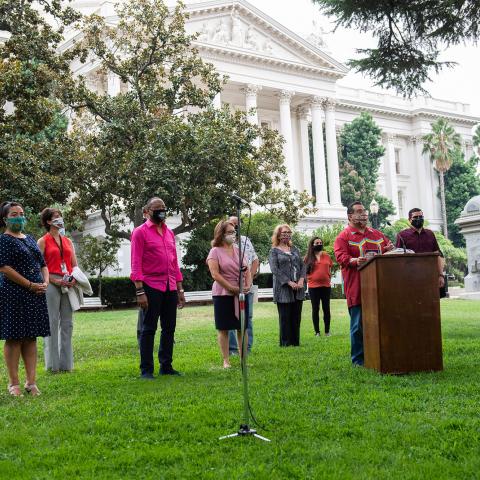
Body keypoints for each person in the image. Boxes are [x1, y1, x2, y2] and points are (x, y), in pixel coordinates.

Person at [130, 197, 186, 379]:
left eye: (163, 207)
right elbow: (136, 263)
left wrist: (180, 289)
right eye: (156, 208)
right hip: (151, 286)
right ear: (147, 211)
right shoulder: (140, 233)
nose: (161, 210)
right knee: (148, 329)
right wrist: (140, 291)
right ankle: (146, 370)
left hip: (170, 286)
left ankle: (166, 366)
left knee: (169, 328)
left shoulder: (169, 233)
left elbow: (174, 263)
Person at [334, 201, 394, 366]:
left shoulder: (377, 234)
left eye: (364, 211)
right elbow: (341, 257)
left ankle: (380, 354)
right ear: (350, 216)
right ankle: (358, 360)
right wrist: (354, 260)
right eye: (359, 211)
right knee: (358, 325)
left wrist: (389, 250)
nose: (363, 214)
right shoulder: (343, 237)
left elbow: (388, 249)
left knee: (381, 322)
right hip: (357, 287)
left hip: (380, 286)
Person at [0, 201, 50, 396]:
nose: (19, 217)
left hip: (36, 294)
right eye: (14, 214)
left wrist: (45, 282)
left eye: (21, 213)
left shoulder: (29, 238)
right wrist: (29, 284)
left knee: (31, 337)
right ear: (5, 219)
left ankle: (31, 382)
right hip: (14, 294)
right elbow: (4, 268)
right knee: (14, 338)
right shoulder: (3, 240)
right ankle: (14, 384)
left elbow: (43, 264)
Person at [38, 208, 78, 373]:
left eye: (60, 216)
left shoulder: (68, 241)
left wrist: (74, 278)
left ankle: (66, 365)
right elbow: (38, 267)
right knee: (52, 323)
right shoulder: (43, 241)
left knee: (67, 324)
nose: (60, 219)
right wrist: (52, 280)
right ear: (48, 221)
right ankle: (52, 365)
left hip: (67, 282)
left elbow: (74, 264)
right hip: (51, 282)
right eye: (56, 217)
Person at [207, 220, 251, 368]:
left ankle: (243, 360)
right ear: (221, 234)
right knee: (224, 327)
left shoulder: (239, 250)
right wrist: (232, 288)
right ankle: (226, 360)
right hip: (222, 293)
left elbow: (247, 270)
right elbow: (215, 274)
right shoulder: (215, 251)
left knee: (242, 327)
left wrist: (247, 285)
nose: (233, 235)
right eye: (230, 232)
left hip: (241, 293)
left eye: (234, 232)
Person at [268, 224, 306, 347]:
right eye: (284, 233)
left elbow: (303, 266)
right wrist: (289, 282)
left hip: (298, 288)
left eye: (288, 233)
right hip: (283, 288)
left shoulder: (294, 249)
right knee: (285, 317)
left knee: (296, 316)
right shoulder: (274, 251)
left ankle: (295, 342)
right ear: (278, 235)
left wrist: (301, 280)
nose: (286, 235)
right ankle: (285, 343)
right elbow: (275, 270)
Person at [227, 216, 259, 356]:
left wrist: (249, 279)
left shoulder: (246, 240)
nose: (235, 226)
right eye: (232, 224)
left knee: (247, 317)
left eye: (237, 224)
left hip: (247, 285)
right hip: (230, 285)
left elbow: (255, 260)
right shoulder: (224, 242)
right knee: (231, 316)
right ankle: (233, 349)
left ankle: (247, 347)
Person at [396, 208, 445, 288]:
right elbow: (398, 258)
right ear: (409, 220)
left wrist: (441, 275)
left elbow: (437, 255)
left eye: (421, 216)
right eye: (415, 217)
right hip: (410, 277)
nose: (419, 219)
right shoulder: (402, 235)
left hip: (430, 275)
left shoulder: (430, 234)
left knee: (432, 300)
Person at [304, 237, 333, 337]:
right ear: (312, 245)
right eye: (317, 243)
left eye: (320, 242)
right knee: (315, 309)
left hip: (326, 286)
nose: (319, 244)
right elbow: (304, 272)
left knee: (326, 309)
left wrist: (328, 277)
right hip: (313, 287)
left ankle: (327, 331)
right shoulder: (308, 258)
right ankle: (317, 332)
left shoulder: (327, 256)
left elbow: (330, 268)